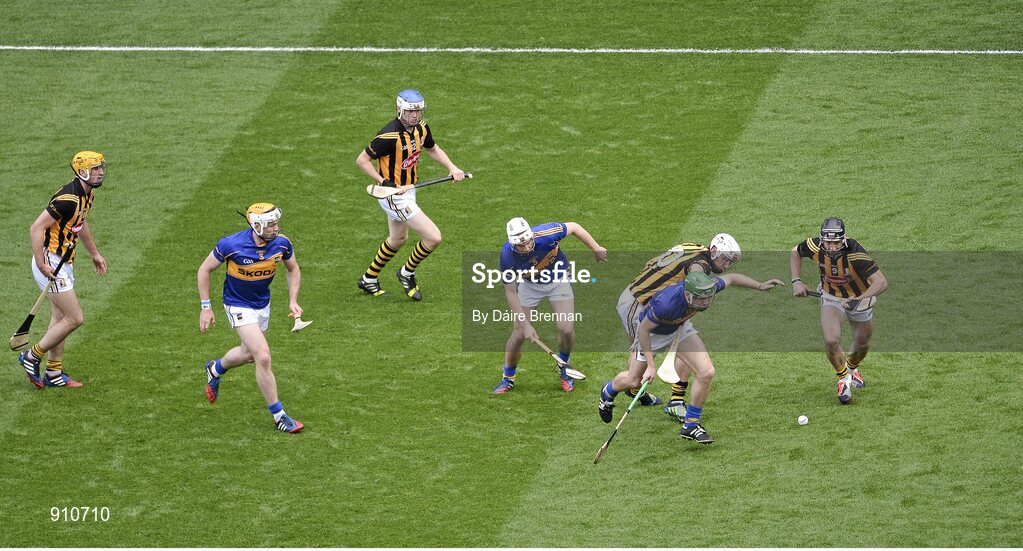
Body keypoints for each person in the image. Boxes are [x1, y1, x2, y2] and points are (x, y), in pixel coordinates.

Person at [601, 271, 784, 444]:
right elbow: (643, 329)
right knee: (634, 380)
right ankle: (608, 392)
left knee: (706, 372)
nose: (705, 302)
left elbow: (732, 278)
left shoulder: (705, 288)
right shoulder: (666, 303)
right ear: (688, 295)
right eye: (700, 299)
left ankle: (691, 425)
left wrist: (760, 285)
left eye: (708, 298)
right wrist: (650, 365)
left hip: (680, 328)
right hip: (653, 334)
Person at [197, 203, 305, 433]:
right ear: (256, 226)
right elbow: (204, 270)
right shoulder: (231, 245)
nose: (276, 228)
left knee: (248, 354)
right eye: (270, 225)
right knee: (262, 356)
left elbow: (293, 269)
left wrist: (293, 300)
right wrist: (206, 307)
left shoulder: (282, 243)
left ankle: (215, 369)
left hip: (262, 304)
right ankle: (279, 416)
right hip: (237, 304)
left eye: (276, 223)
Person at [355, 89, 466, 301]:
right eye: (410, 112)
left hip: (409, 189)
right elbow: (362, 160)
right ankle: (406, 273)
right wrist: (384, 182)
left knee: (398, 239)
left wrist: (452, 167)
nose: (415, 116)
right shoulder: (388, 136)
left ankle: (368, 278)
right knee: (433, 237)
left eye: (418, 111)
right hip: (393, 195)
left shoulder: (421, 128)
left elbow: (432, 148)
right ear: (399, 109)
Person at [616, 233, 741, 418]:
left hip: (673, 302)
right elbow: (695, 275)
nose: (727, 265)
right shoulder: (699, 266)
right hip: (639, 301)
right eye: (725, 259)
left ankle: (676, 400)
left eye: (731, 262)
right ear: (714, 251)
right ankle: (633, 389)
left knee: (687, 342)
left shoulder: (696, 247)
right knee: (640, 354)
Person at [17, 151, 108, 388]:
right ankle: (31, 356)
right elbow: (36, 228)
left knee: (60, 318)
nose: (100, 172)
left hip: (64, 262)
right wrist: (41, 264)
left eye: (100, 168)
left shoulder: (87, 194)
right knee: (75, 318)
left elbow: (79, 222)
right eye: (95, 168)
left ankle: (53, 373)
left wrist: (94, 253)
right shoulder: (67, 199)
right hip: (51, 263)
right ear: (82, 171)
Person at [492, 217, 607, 394]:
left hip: (559, 278)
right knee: (518, 334)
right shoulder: (507, 255)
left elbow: (574, 227)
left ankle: (564, 366)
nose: (526, 248)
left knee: (566, 329)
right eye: (521, 246)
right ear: (513, 244)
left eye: (528, 242)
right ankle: (508, 377)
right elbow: (510, 292)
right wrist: (525, 325)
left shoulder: (546, 233)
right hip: (529, 285)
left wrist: (596, 248)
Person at [791, 217, 888, 404]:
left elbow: (881, 282)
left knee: (862, 343)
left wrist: (859, 299)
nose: (832, 247)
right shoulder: (815, 245)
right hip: (831, 296)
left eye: (836, 243)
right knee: (831, 340)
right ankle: (843, 379)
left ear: (843, 240)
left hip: (858, 297)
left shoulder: (855, 253)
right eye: (828, 242)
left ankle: (851, 369)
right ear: (822, 240)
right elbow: (795, 252)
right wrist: (796, 281)